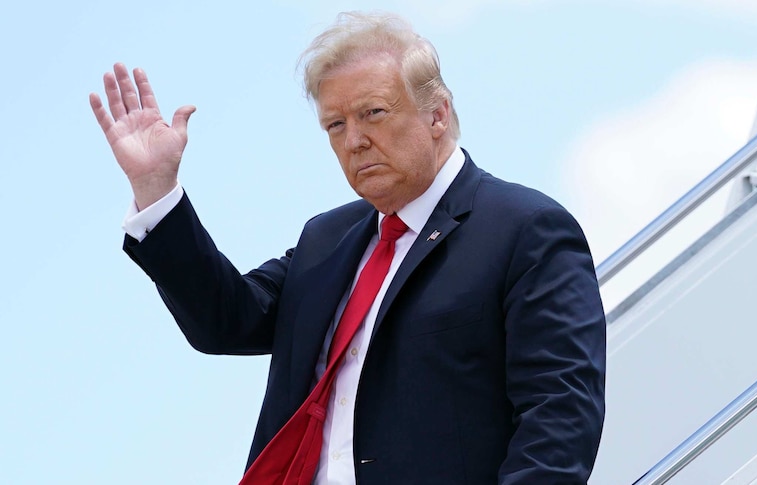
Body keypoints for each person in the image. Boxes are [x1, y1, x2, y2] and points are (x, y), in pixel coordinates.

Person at [90, 11, 606, 485]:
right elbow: (227, 319)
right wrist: (157, 191)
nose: (354, 139)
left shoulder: (524, 229)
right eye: (335, 124)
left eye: (373, 113)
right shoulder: (326, 239)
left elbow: (559, 415)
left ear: (437, 114)